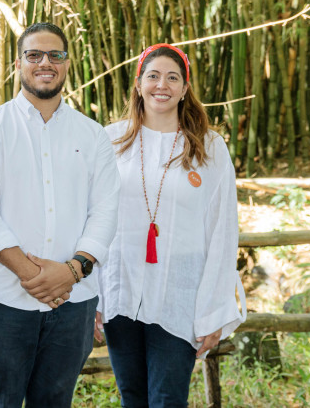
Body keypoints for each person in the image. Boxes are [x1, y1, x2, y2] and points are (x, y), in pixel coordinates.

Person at [0, 22, 120, 407]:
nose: (45, 63)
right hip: (4, 300)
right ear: (18, 64)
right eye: (34, 55)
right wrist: (35, 275)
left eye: (55, 55)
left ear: (67, 63)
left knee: (55, 401)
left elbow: (105, 209)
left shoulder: (93, 134)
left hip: (73, 301)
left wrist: (72, 271)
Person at [96, 43, 247, 407]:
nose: (161, 85)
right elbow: (93, 219)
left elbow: (223, 231)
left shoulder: (209, 147)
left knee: (167, 398)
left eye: (172, 77)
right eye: (153, 76)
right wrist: (93, 295)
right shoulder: (110, 140)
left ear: (184, 89)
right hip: (120, 289)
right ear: (138, 84)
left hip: (182, 294)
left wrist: (214, 309)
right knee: (132, 396)